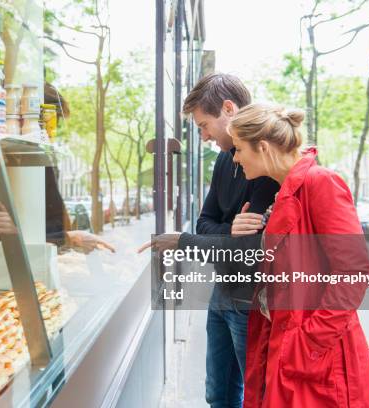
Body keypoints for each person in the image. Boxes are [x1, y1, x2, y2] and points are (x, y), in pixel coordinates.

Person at [139, 73, 279, 408]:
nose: (202, 136)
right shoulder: (222, 160)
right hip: (222, 293)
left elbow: (247, 249)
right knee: (217, 394)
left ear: (228, 109)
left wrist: (191, 239)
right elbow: (205, 222)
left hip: (252, 302)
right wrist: (228, 231)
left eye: (204, 125)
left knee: (255, 397)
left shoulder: (266, 165)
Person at [229, 103, 369, 407]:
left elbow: (353, 272)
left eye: (238, 149)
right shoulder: (285, 191)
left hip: (314, 357)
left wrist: (308, 343)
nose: (235, 158)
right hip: (286, 345)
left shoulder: (320, 182)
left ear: (261, 146)